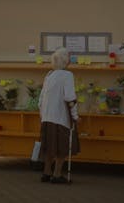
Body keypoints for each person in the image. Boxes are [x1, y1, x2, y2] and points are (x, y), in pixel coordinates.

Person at [38, 47, 80, 184]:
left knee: (49, 146)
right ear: (66, 61)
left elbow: (41, 99)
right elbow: (70, 98)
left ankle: (46, 173)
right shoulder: (67, 75)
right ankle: (56, 175)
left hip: (47, 117)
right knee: (62, 147)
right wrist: (75, 116)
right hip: (61, 118)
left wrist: (43, 115)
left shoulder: (49, 75)